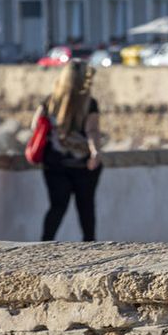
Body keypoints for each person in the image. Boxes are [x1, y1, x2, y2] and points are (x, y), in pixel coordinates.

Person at [32, 60, 103, 241]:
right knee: (86, 207)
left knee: (57, 206)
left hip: (54, 163)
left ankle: (45, 244)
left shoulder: (50, 101)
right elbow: (92, 131)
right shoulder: (89, 103)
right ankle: (90, 245)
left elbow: (35, 125)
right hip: (83, 165)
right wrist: (95, 153)